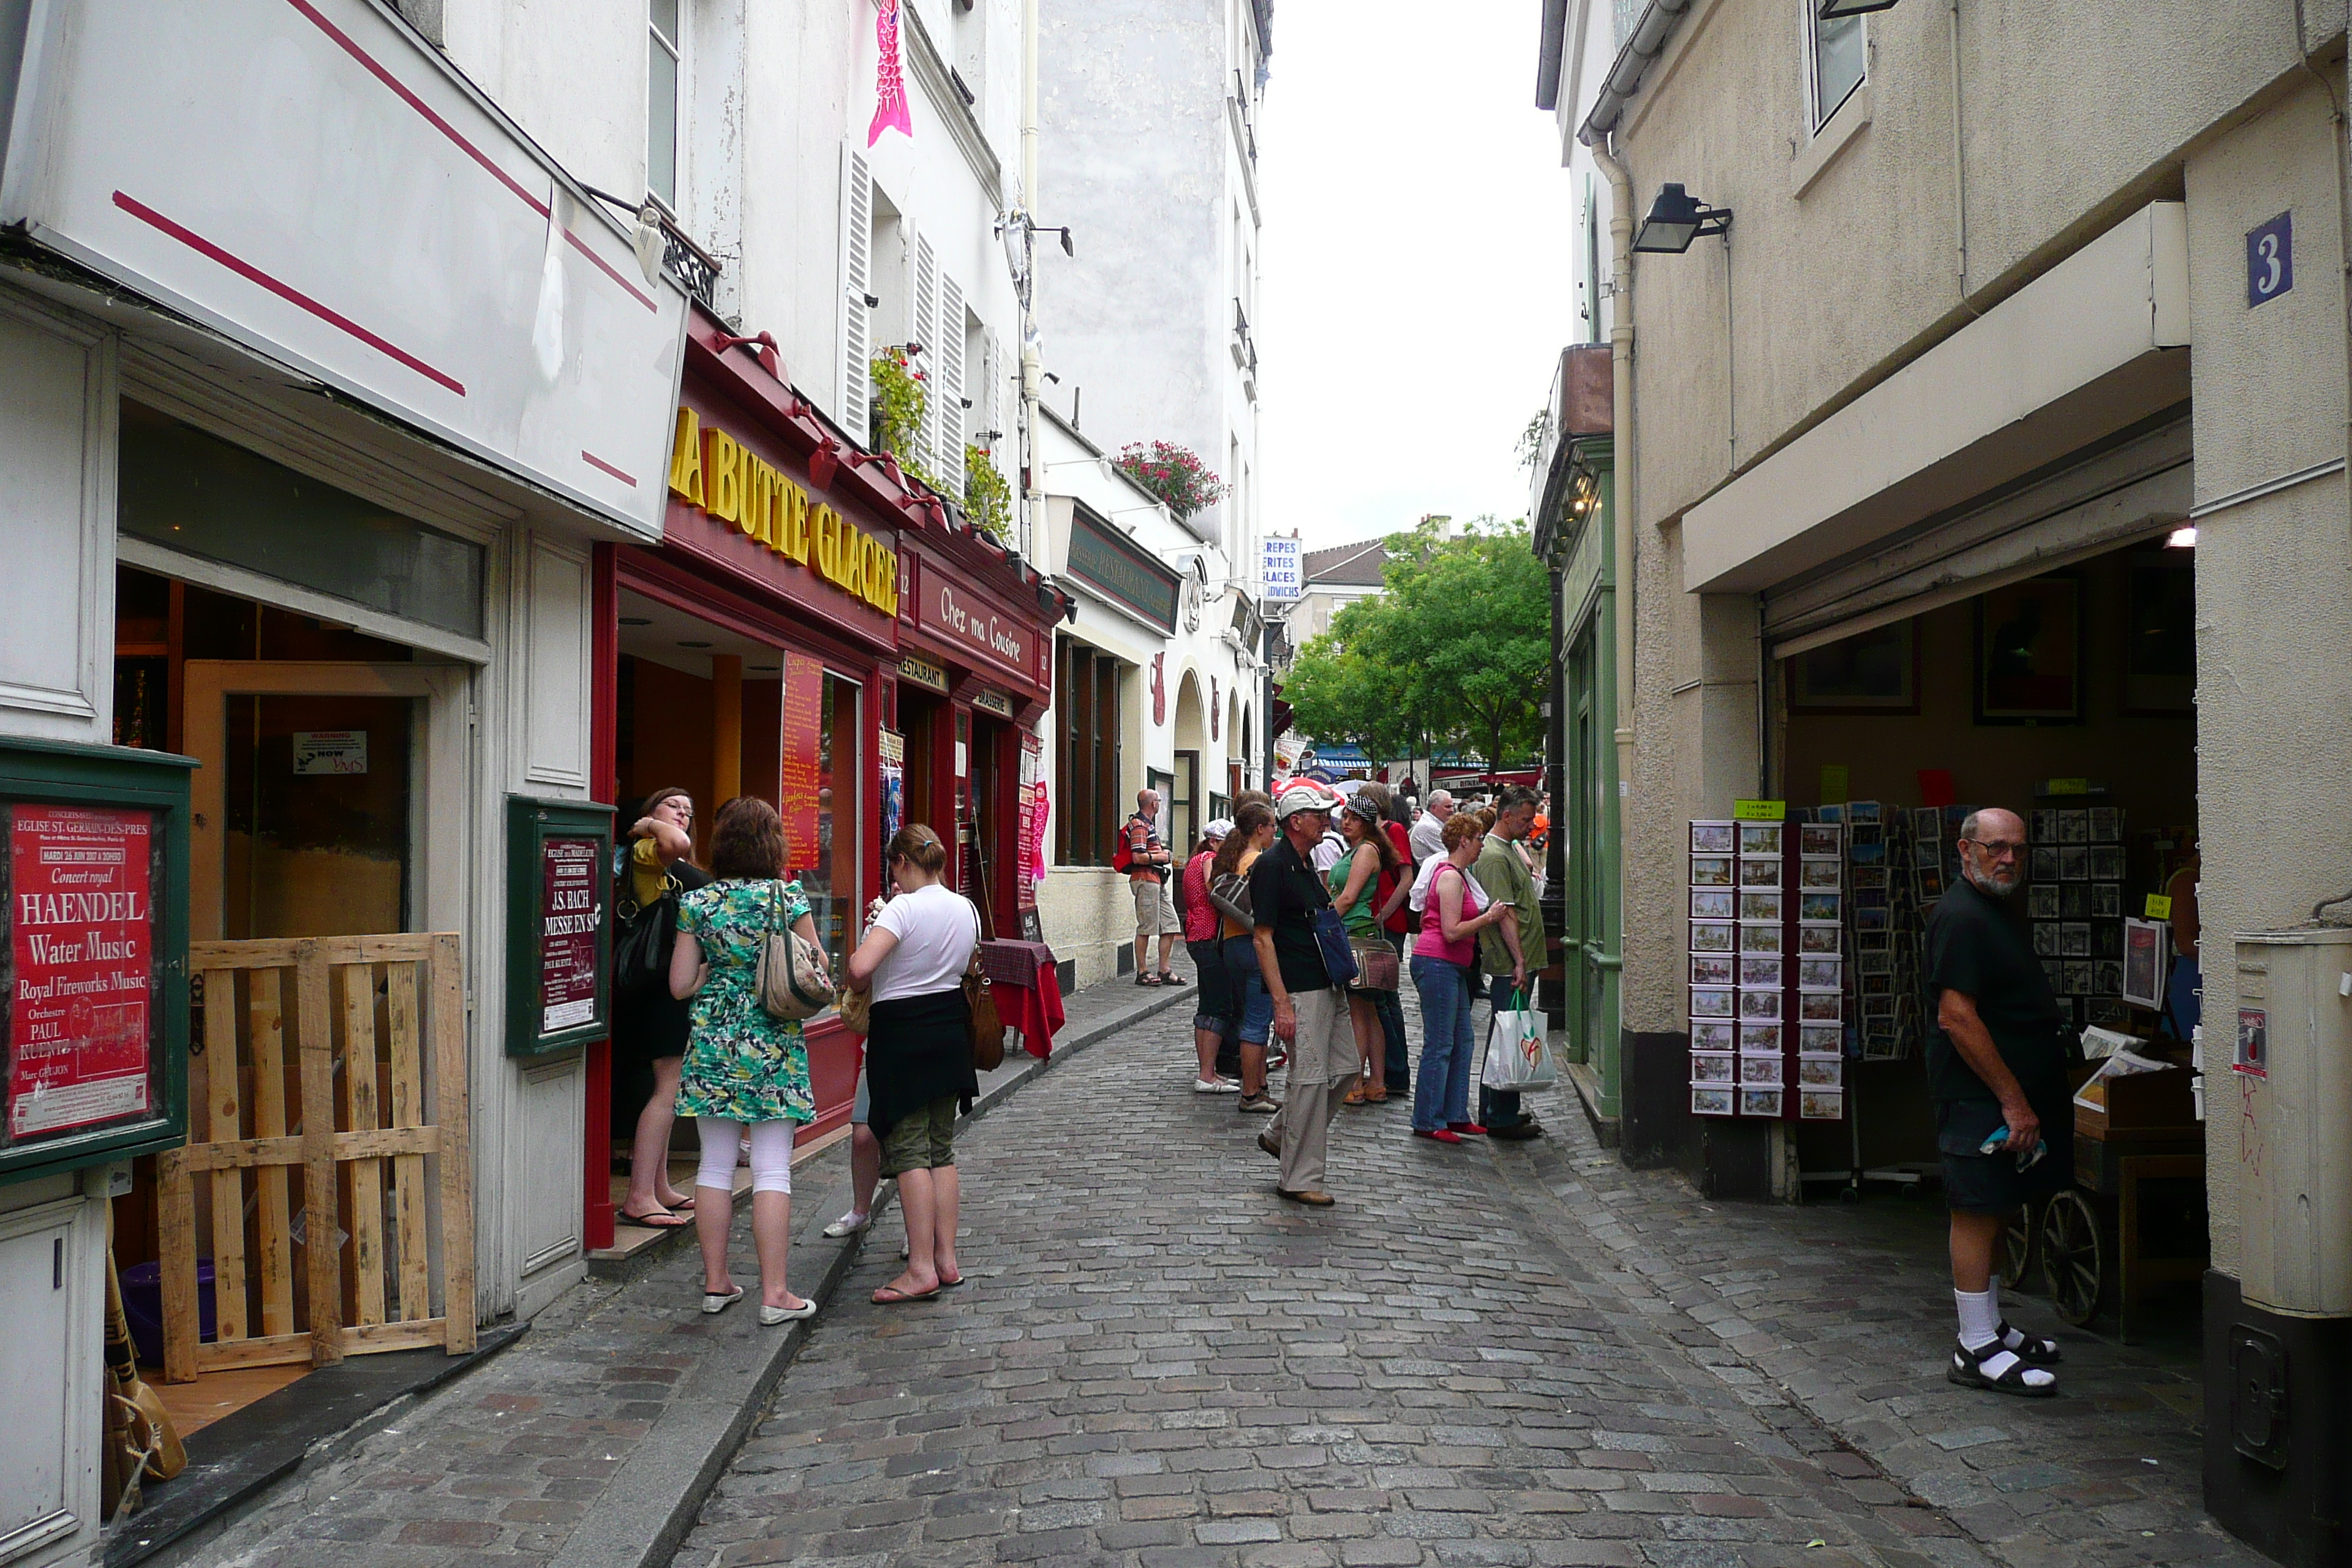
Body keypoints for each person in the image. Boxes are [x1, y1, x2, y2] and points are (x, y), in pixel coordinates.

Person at [1929, 807, 2070, 1396]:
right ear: (1965, 851)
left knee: (1999, 1208)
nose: (2008, 858)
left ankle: (1991, 1326)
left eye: (2017, 848)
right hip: (1979, 1099)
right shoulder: (1961, 916)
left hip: (2008, 1097)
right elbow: (1956, 1018)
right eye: (1994, 848)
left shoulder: (1996, 909)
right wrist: (2013, 1101)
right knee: (1976, 1212)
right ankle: (1974, 1346)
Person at [668, 797, 825, 1325]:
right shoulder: (786, 896)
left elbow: (679, 985)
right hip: (772, 1040)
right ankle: (775, 1294)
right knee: (772, 1167)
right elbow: (816, 966)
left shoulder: (699, 902)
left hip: (713, 1041)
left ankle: (716, 1285)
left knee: (713, 1166)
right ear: (772, 845)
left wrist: (717, 973)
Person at [845, 824, 982, 1305]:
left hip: (902, 1034)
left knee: (908, 1154)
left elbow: (861, 970)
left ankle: (920, 1267)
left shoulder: (902, 907)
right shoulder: (965, 907)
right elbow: (966, 967)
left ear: (901, 863)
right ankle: (946, 1259)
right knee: (941, 1150)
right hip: (949, 1031)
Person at [1251, 783, 1357, 1206]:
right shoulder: (1272, 866)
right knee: (1309, 1081)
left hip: (1327, 980)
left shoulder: (1305, 862)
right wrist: (1280, 1002)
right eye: (1319, 814)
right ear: (1297, 821)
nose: (1327, 820)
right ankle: (1298, 1178)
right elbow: (1263, 938)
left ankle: (1280, 1133)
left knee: (1347, 1066)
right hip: (1299, 988)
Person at [612, 786, 707, 1229]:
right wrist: (650, 823)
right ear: (651, 812)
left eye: (689, 809)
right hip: (658, 988)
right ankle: (639, 1195)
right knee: (666, 1091)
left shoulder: (671, 861)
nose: (683, 814)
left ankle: (660, 1184)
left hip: (672, 985)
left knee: (670, 1088)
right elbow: (678, 843)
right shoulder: (651, 848)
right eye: (674, 805)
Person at [1411, 813, 1510, 1142]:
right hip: (1438, 961)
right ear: (1464, 842)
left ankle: (1455, 1113)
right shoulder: (1451, 877)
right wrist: (1488, 918)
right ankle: (1428, 1118)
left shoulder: (1462, 876)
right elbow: (1451, 931)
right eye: (1479, 838)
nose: (1482, 844)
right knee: (1440, 1043)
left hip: (1451, 965)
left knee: (1463, 1040)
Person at [1474, 787, 1547, 1141]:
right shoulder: (1493, 855)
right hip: (1508, 964)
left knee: (1507, 1033)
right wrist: (1518, 960)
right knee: (1507, 1034)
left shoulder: (1508, 849)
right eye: (1525, 819)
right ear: (1506, 816)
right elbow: (1505, 912)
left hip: (1519, 961)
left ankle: (1499, 1108)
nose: (1531, 826)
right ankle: (1498, 1113)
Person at [1330, 794, 1404, 1107]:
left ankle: (1356, 1081)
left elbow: (1348, 898)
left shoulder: (1366, 852)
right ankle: (1376, 1083)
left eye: (1354, 818)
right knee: (1370, 1012)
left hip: (1355, 933)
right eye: (1345, 816)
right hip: (1356, 931)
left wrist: (1321, 922)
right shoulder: (1358, 850)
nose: (1347, 822)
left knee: (1357, 1011)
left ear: (1367, 823)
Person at [1214, 804, 1281, 1112]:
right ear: (1259, 829)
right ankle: (1251, 1093)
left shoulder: (1234, 859)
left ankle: (1261, 1087)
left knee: (1251, 1018)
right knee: (1257, 1023)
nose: (1274, 831)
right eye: (1271, 826)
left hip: (1232, 944)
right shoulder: (1259, 861)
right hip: (1256, 946)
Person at [1362, 781, 1417, 1098]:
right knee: (1379, 997)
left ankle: (1396, 1070)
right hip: (1374, 921)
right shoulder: (1370, 834)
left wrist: (1385, 913)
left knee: (1386, 997)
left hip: (1388, 923)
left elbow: (1406, 877)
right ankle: (1387, 1068)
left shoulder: (1393, 830)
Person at [1183, 820, 1240, 1093]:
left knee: (1206, 1005)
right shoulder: (1209, 858)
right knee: (1219, 1006)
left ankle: (1208, 1070)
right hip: (1208, 937)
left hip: (1196, 936)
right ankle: (1207, 1074)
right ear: (1216, 841)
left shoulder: (1194, 859)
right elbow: (1212, 889)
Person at [1125, 788, 1179, 985]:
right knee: (1146, 927)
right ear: (1152, 804)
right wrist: (1162, 856)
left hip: (1156, 879)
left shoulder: (1148, 824)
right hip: (1145, 880)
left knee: (1171, 924)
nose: (1160, 803)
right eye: (1158, 800)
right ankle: (1142, 971)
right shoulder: (1139, 825)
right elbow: (1137, 856)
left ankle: (1164, 969)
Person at [1409, 789, 1455, 862]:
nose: (1452, 810)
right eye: (1448, 807)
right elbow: (1453, 857)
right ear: (1434, 807)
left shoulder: (1432, 823)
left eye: (1452, 806)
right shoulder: (1429, 827)